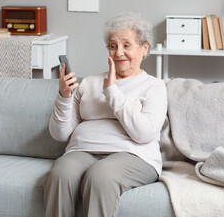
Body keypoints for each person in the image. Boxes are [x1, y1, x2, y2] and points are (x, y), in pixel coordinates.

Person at [44, 11, 167, 217]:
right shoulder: (89, 82)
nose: (119, 53)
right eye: (113, 46)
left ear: (144, 48)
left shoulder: (154, 86)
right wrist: (64, 97)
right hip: (82, 151)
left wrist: (112, 91)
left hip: (133, 156)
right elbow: (60, 134)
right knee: (61, 173)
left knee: (100, 176)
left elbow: (144, 133)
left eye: (126, 45)